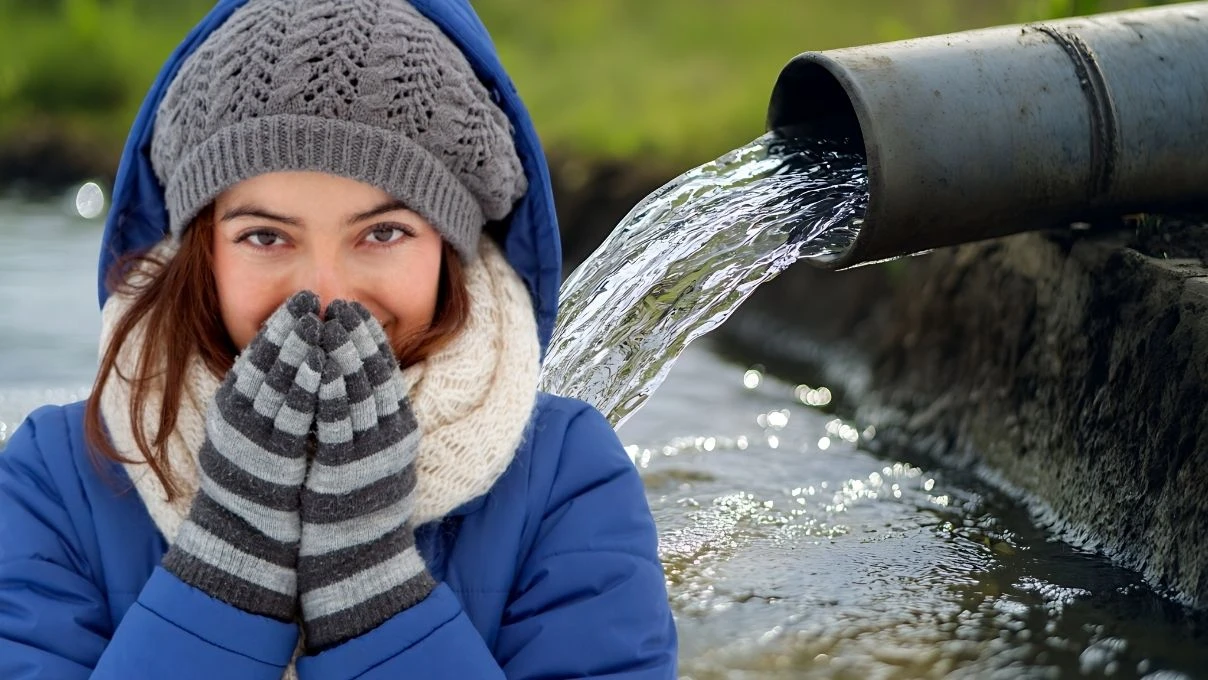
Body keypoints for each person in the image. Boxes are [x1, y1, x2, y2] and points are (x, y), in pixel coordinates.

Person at [0, 0, 678, 677]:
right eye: (265, 236)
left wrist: (375, 600)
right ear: (199, 252)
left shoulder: (567, 476)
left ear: (451, 246)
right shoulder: (55, 480)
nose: (325, 296)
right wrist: (226, 570)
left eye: (382, 234)